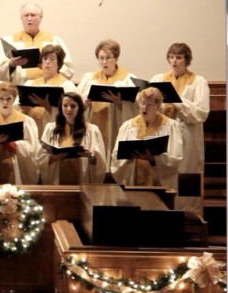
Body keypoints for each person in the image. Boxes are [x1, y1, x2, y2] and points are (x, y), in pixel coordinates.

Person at [151, 43, 209, 214]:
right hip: (163, 132)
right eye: (171, 57)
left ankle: (188, 216)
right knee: (163, 172)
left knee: (186, 174)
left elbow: (201, 112)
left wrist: (178, 102)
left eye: (178, 57)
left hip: (187, 136)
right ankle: (163, 213)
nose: (174, 61)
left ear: (186, 60)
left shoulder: (198, 82)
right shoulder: (159, 80)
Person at [76, 39, 138, 170]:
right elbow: (76, 104)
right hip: (94, 124)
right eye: (101, 58)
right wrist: (84, 104)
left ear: (116, 58)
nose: (104, 62)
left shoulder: (128, 79)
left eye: (108, 58)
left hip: (114, 126)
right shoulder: (90, 79)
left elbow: (135, 110)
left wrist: (120, 103)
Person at [111, 87, 182, 194]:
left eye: (150, 105)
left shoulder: (170, 126)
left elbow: (175, 158)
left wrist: (154, 159)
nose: (145, 108)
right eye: (143, 103)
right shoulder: (128, 126)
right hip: (133, 180)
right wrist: (129, 157)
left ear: (158, 106)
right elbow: (116, 156)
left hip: (158, 183)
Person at [0, 2, 74, 85]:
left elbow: (69, 69)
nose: (29, 18)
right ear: (21, 18)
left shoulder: (54, 41)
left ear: (40, 17)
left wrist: (51, 74)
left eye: (33, 15)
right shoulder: (10, 41)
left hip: (49, 87)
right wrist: (11, 65)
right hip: (20, 88)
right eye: (26, 15)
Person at [37, 92, 106, 185]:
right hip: (57, 179)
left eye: (73, 106)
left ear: (79, 108)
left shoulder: (92, 130)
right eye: (65, 105)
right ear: (60, 107)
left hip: (82, 177)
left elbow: (100, 162)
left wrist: (90, 155)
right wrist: (53, 158)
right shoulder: (50, 128)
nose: (68, 109)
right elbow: (40, 158)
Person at [0, 82, 40, 184]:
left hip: (15, 167)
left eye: (8, 99)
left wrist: (14, 144)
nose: (5, 102)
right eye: (1, 99)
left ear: (14, 99)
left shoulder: (25, 120)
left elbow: (33, 149)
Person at [23, 44, 77, 137]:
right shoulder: (29, 84)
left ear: (59, 63)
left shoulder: (67, 86)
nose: (47, 62)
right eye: (45, 59)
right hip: (32, 133)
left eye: (52, 59)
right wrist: (25, 109)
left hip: (55, 135)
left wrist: (48, 107)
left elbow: (73, 114)